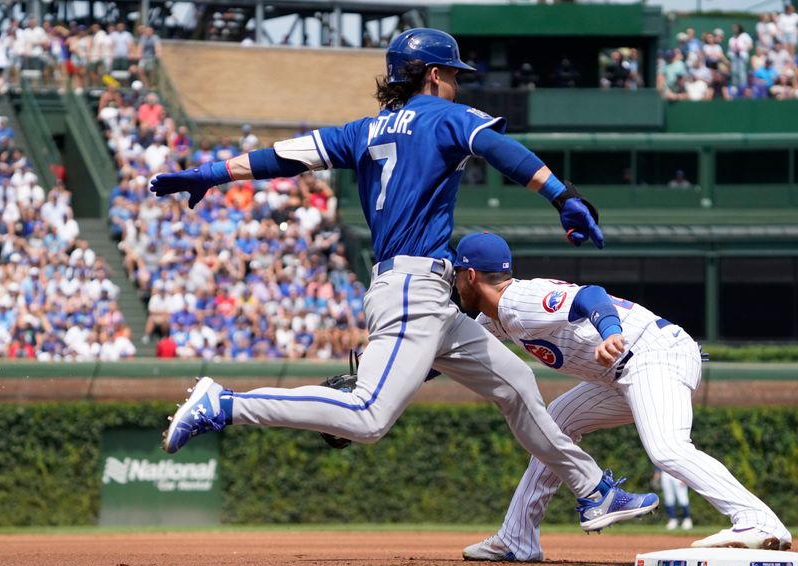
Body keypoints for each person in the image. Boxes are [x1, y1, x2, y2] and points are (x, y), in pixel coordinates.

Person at [149, 28, 657, 533]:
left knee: (518, 384)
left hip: (429, 298)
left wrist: (209, 173)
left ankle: (594, 491)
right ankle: (226, 406)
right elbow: (501, 150)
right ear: (434, 75)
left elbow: (280, 157)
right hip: (412, 290)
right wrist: (562, 195)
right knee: (369, 416)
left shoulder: (363, 130)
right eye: (454, 75)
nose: (458, 85)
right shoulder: (446, 114)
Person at [451, 232, 792, 561]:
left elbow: (591, 296)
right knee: (553, 424)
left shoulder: (519, 300)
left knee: (667, 448)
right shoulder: (495, 318)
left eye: (456, 273)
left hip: (652, 353)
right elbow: (450, 355)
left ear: (470, 275)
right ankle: (517, 538)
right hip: (620, 372)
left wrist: (610, 333)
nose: (453, 282)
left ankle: (758, 521)